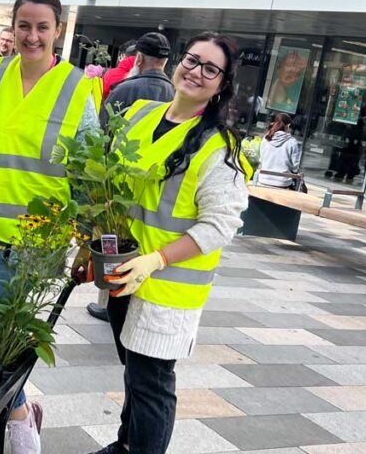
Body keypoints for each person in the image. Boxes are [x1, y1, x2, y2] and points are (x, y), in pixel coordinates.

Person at [0, 0, 98, 454]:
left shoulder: (77, 89)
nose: (32, 36)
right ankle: (19, 409)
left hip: (34, 236)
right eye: (24, 25)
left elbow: (92, 170)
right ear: (12, 28)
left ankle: (4, 429)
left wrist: (87, 240)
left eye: (42, 27)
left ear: (58, 31)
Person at [86, 32, 249, 454]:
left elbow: (220, 225)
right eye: (193, 61)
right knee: (135, 377)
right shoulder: (141, 115)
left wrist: (156, 259)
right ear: (179, 61)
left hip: (167, 290)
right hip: (125, 272)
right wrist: (91, 250)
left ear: (222, 85)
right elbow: (115, 194)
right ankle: (126, 444)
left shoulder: (218, 148)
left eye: (211, 69)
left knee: (153, 385)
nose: (197, 72)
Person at [86, 32, 175, 323]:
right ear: (165, 62)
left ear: (138, 58)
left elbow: (100, 137)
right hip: (156, 188)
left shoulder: (124, 90)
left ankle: (109, 297)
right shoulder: (176, 94)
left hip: (118, 183)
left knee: (112, 240)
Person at [258, 112, 302, 189]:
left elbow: (261, 159)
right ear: (288, 126)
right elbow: (295, 166)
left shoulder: (266, 138)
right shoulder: (292, 142)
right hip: (282, 182)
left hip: (263, 179)